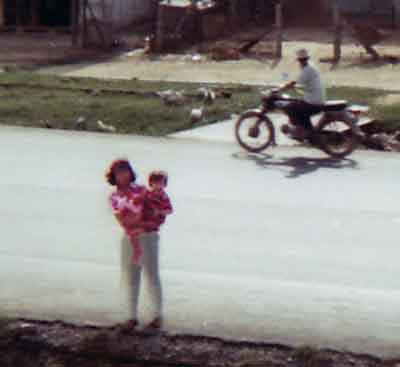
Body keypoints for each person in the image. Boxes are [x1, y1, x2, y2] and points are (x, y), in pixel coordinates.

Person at [277, 48, 326, 138]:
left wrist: (280, 89)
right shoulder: (310, 67)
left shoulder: (307, 70)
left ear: (301, 60)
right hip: (315, 99)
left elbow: (294, 82)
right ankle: (304, 130)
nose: (300, 63)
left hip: (313, 101)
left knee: (290, 108)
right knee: (298, 107)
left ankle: (301, 131)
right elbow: (301, 82)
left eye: (300, 61)